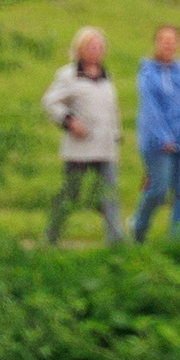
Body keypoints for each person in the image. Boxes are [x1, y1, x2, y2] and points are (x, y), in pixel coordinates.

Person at [41, 26, 123, 246]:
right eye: (90, 46)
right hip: (80, 147)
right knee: (70, 194)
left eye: (99, 46)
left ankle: (116, 242)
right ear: (79, 49)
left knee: (109, 193)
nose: (95, 50)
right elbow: (50, 102)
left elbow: (111, 110)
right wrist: (69, 121)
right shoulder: (68, 75)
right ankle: (50, 238)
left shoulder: (107, 77)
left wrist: (117, 135)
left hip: (105, 147)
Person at [133, 24, 180, 240]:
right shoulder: (147, 72)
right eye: (164, 40)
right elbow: (150, 108)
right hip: (156, 142)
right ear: (156, 43)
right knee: (159, 190)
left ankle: (177, 240)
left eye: (173, 41)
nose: (169, 45)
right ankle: (139, 226)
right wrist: (163, 137)